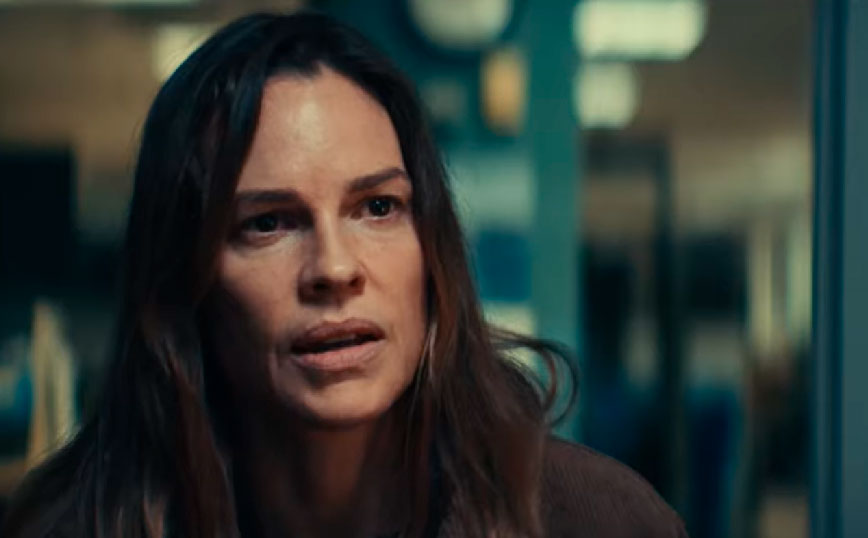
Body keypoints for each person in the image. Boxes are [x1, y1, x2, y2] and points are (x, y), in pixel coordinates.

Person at [2, 11, 687, 538]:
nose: (334, 268)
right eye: (268, 223)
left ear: (431, 247)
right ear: (187, 279)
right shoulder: (75, 525)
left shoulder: (594, 520)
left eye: (378, 207)